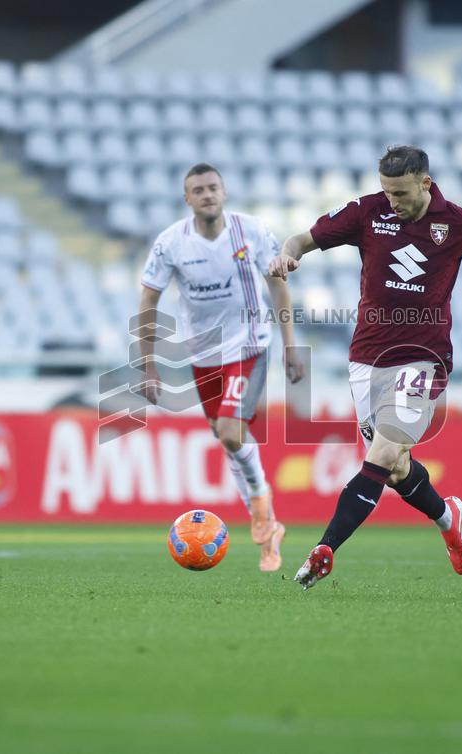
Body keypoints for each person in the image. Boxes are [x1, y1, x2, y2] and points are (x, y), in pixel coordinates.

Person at [268, 145, 462, 589]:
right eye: (386, 191)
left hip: (424, 358)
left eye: (400, 193)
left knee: (379, 455)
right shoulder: (367, 212)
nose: (393, 202)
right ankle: (448, 518)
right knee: (396, 467)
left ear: (426, 182)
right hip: (367, 359)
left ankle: (324, 550)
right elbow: (300, 239)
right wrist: (290, 256)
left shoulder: (460, 223)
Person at [139, 163, 306, 572]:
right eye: (198, 190)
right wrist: (147, 363)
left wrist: (290, 344)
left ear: (224, 192)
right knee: (227, 437)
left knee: (231, 431)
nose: (207, 194)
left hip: (249, 346)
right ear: (187, 199)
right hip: (203, 355)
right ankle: (268, 526)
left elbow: (277, 285)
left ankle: (261, 506)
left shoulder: (251, 231)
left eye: (213, 187)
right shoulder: (170, 244)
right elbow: (148, 302)